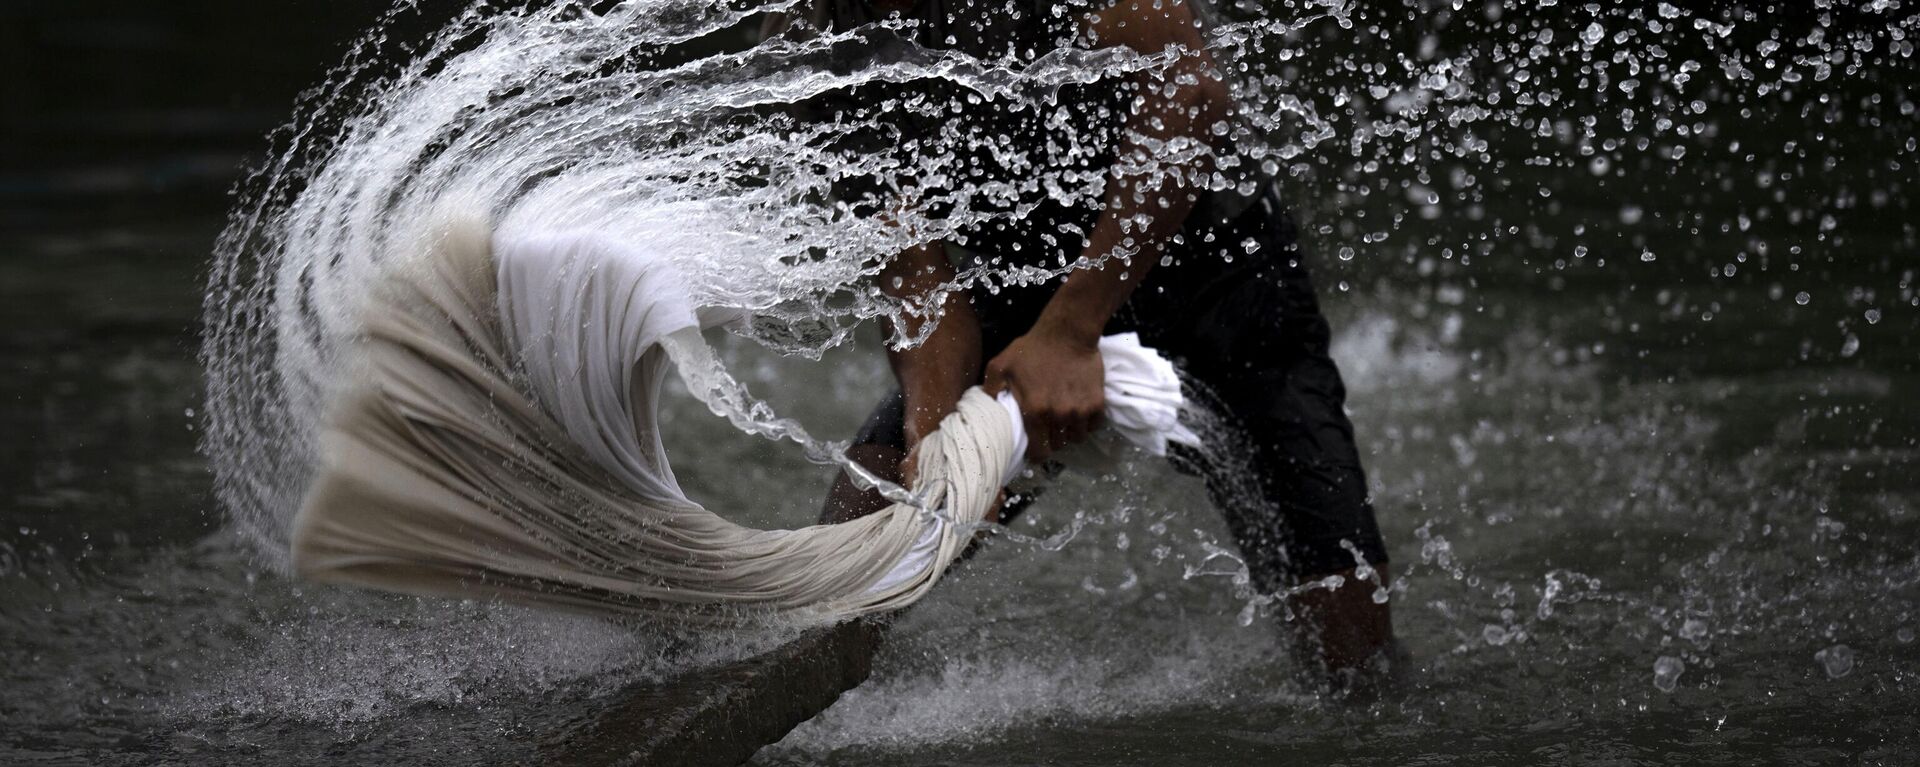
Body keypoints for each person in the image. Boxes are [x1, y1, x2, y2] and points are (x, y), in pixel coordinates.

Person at [767, 0, 1396, 680]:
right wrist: (934, 432)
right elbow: (915, 273)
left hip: (1215, 274)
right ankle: (807, 679)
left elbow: (1189, 92)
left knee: (1348, 644)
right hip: (1017, 287)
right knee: (855, 556)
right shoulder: (811, 40)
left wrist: (1070, 333)